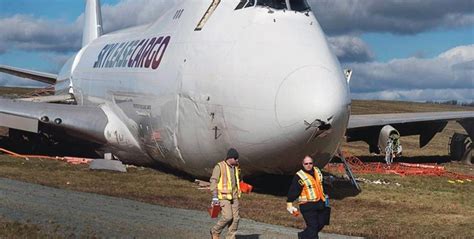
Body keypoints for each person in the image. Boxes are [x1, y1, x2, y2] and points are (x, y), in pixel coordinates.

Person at [286, 156, 330, 239]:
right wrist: (289, 203)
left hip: (321, 202)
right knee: (313, 227)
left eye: (310, 163)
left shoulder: (317, 170)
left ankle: (303, 235)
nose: (308, 165)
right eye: (306, 163)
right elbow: (294, 190)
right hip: (307, 205)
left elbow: (321, 184)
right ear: (303, 164)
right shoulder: (299, 176)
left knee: (321, 223)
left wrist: (327, 195)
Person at [210, 148, 242, 239]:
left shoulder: (236, 167)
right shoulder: (219, 166)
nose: (237, 160)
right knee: (228, 217)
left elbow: (236, 180)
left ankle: (230, 237)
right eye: (236, 158)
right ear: (230, 158)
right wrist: (215, 197)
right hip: (223, 197)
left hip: (234, 196)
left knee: (236, 219)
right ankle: (215, 231)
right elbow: (213, 181)